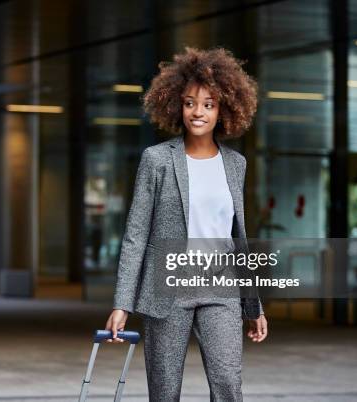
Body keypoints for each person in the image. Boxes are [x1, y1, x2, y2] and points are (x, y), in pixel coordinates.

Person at [104, 47, 268, 401]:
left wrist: (253, 306)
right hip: (169, 287)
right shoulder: (157, 160)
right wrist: (122, 303)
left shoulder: (235, 164)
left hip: (221, 287)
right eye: (191, 102)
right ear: (177, 105)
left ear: (223, 109)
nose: (199, 112)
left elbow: (238, 237)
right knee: (164, 392)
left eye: (209, 104)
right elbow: (135, 235)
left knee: (227, 384)